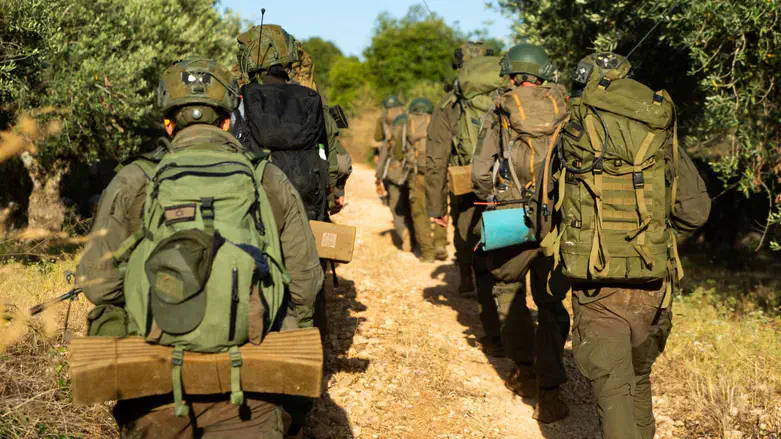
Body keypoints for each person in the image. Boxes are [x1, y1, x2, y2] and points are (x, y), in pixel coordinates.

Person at [76, 58, 323, 438]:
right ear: (228, 121)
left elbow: (98, 286)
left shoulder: (135, 179)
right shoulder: (267, 178)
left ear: (168, 123)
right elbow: (305, 282)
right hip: (251, 393)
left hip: (158, 389)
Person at [550, 52, 711, 439]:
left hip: (596, 280)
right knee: (639, 377)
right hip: (652, 285)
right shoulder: (658, 131)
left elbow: (549, 210)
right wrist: (655, 230)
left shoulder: (573, 132)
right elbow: (695, 212)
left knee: (614, 388)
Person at [471, 43, 571, 423]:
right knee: (550, 302)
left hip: (511, 215)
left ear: (512, 75)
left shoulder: (500, 109)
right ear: (543, 74)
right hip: (556, 220)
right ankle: (550, 393)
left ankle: (525, 373)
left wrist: (491, 200)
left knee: (509, 292)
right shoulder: (565, 107)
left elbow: (481, 173)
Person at [425, 42, 504, 357]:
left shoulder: (450, 103)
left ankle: (496, 337)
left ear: (459, 67)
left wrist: (436, 206)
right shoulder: (511, 94)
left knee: (483, 257)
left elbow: (435, 160)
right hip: (516, 189)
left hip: (471, 191)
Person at [396, 97, 447, 262]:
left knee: (419, 213)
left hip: (417, 173)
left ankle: (428, 253)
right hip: (439, 173)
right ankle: (440, 244)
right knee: (439, 207)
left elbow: (397, 152)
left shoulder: (407, 123)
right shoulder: (439, 122)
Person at [375, 94, 414, 251]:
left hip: (394, 171)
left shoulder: (384, 118)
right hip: (412, 169)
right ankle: (415, 236)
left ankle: (403, 232)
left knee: (394, 204)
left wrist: (377, 178)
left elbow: (379, 140)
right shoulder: (409, 118)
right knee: (410, 204)